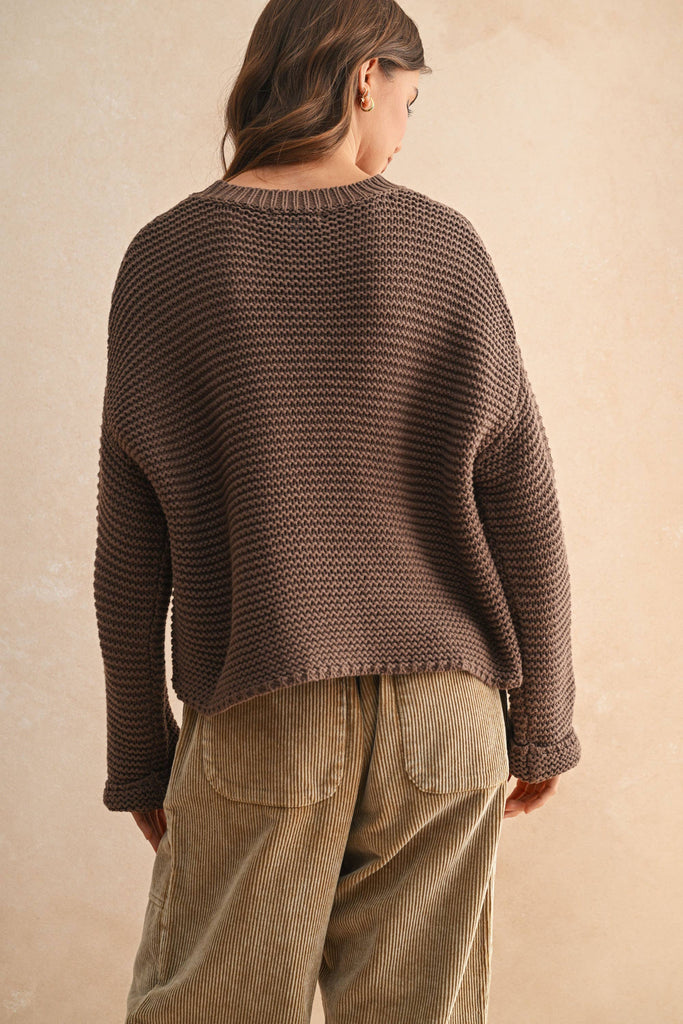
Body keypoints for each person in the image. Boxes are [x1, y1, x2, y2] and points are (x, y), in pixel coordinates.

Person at [93, 0, 581, 1020]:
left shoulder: (166, 258)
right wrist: (542, 722)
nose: (401, 134)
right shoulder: (442, 246)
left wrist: (139, 752)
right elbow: (522, 502)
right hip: (445, 718)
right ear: (365, 76)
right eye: (407, 102)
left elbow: (132, 545)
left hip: (262, 703)